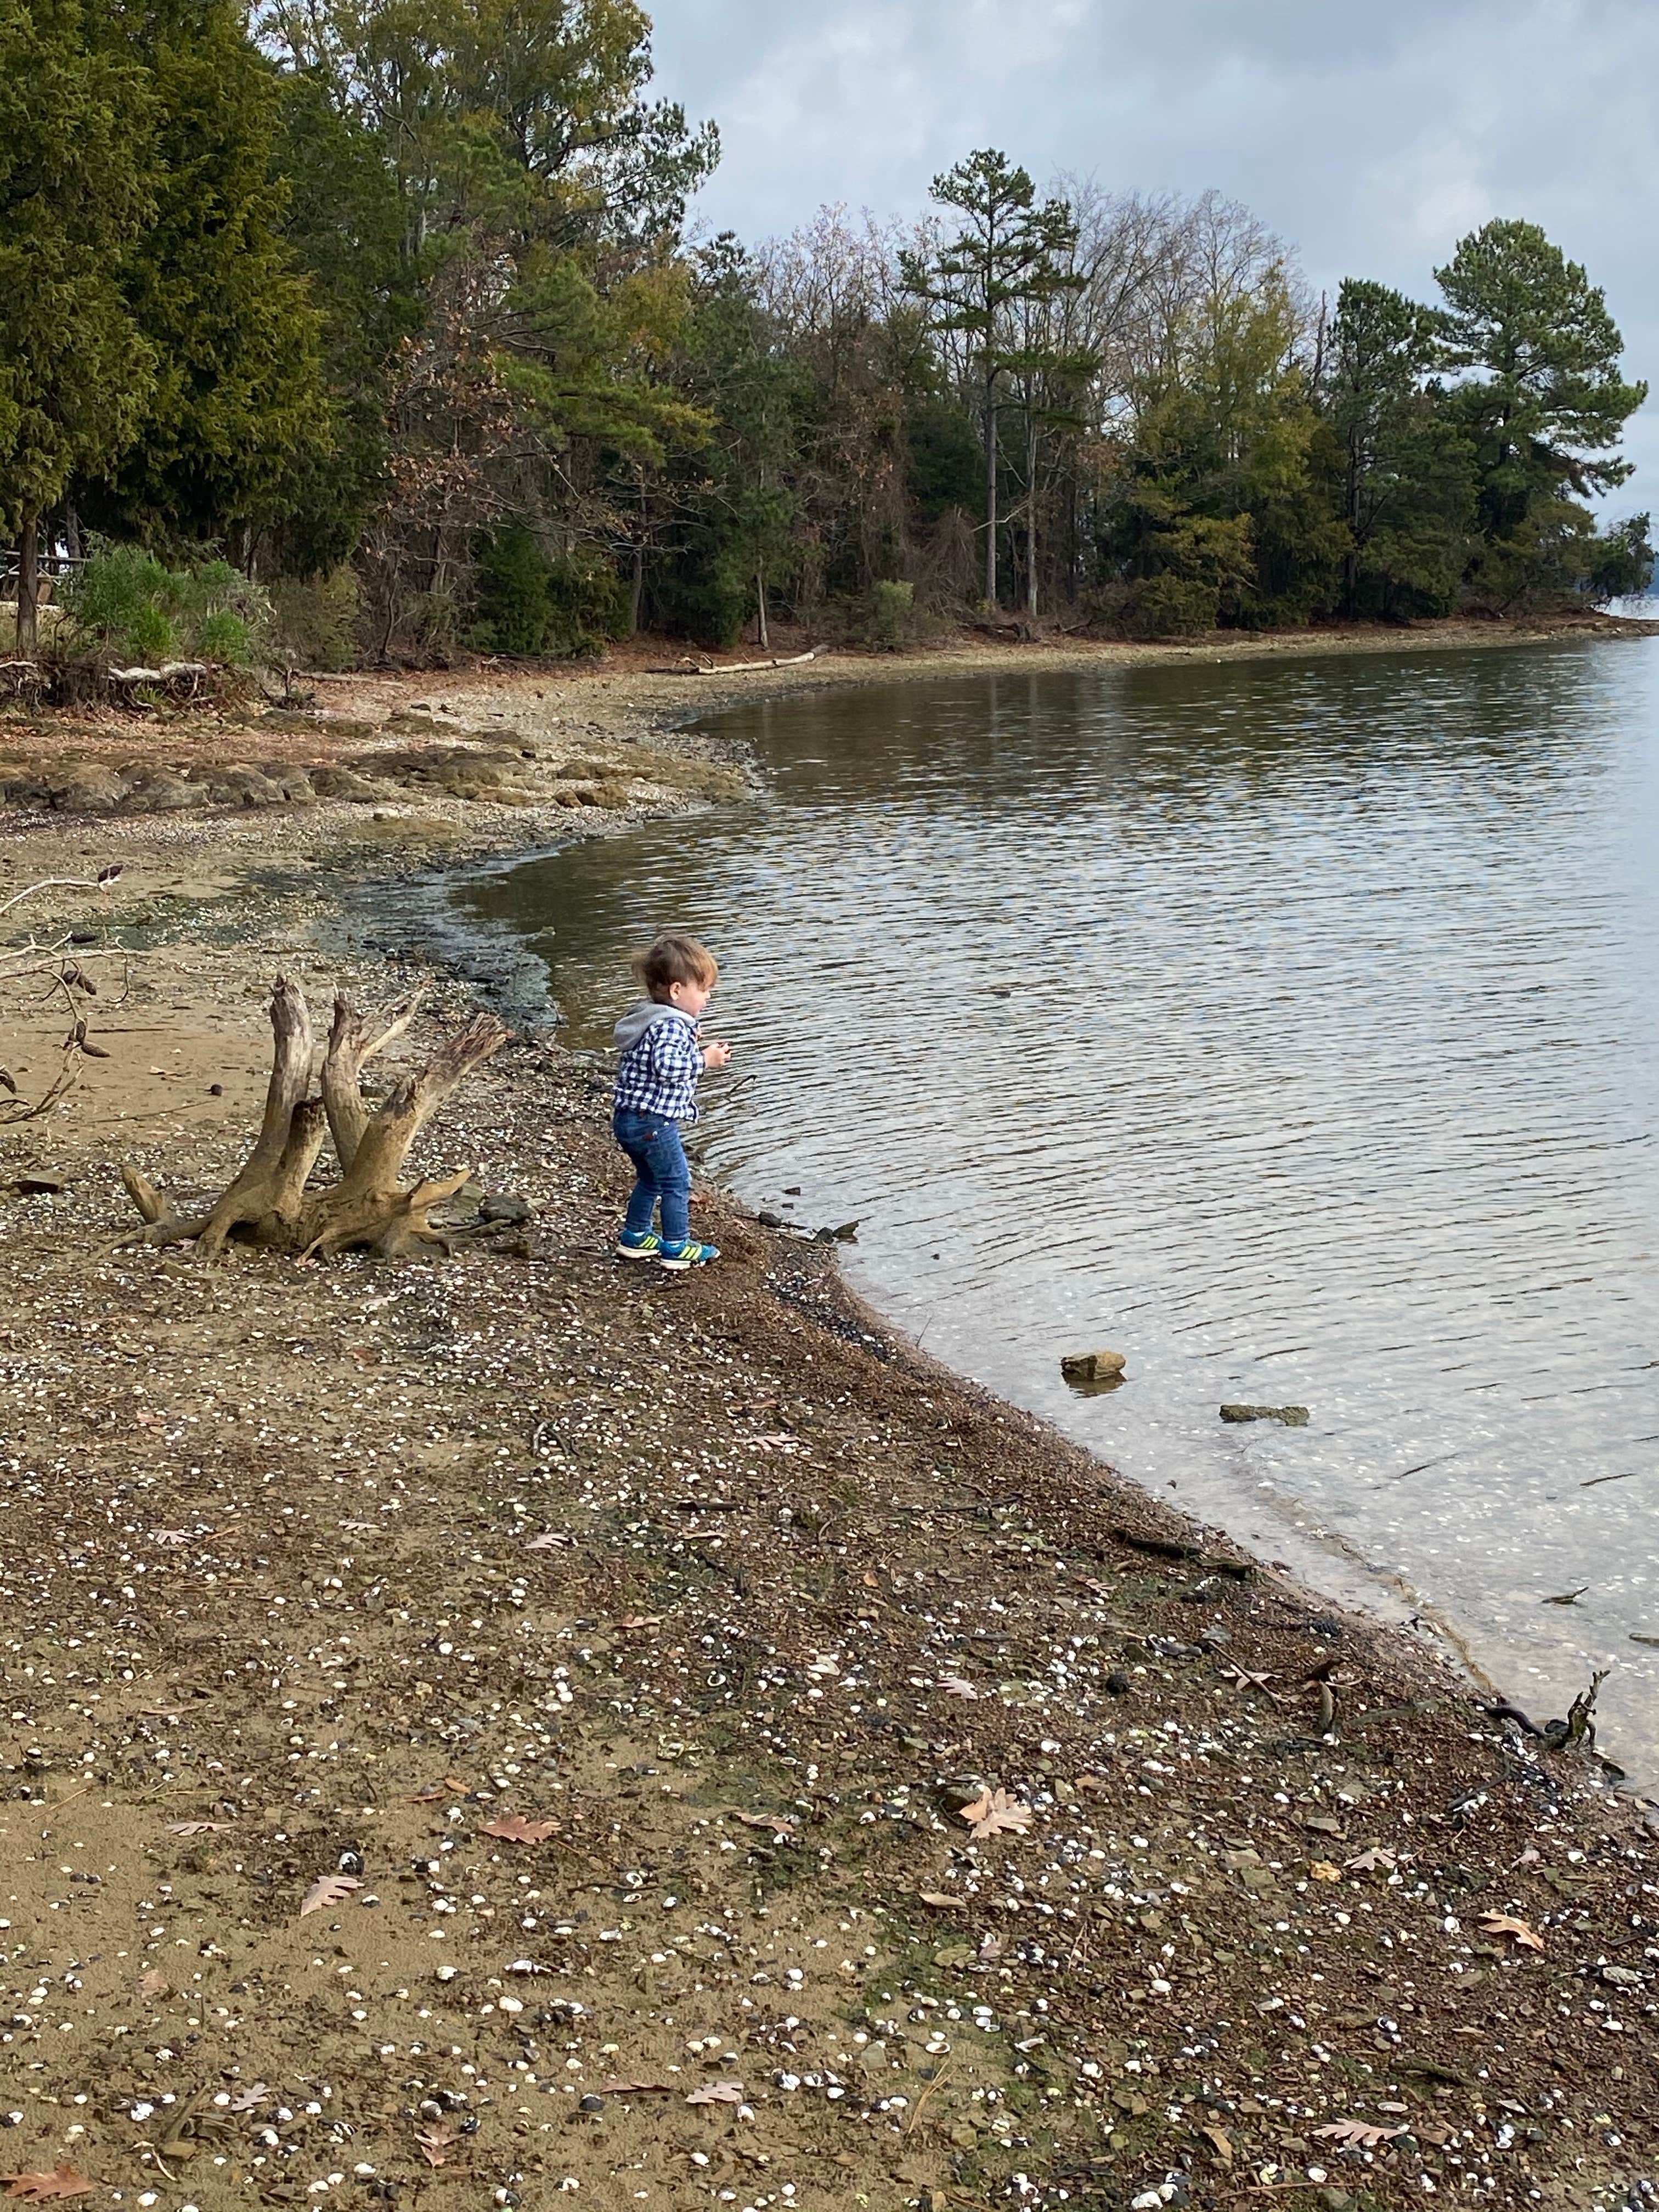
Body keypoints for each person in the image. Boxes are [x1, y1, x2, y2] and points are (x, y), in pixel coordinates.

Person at [611, 933, 731, 1269]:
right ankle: (676, 1247)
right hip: (654, 1122)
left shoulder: (649, 1017)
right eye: (704, 989)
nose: (708, 997)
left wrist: (689, 1040)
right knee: (678, 1182)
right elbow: (667, 1067)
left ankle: (635, 1237)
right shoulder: (670, 1026)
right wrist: (705, 1059)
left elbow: (656, 1056)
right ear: (677, 991)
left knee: (651, 1179)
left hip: (629, 1118)